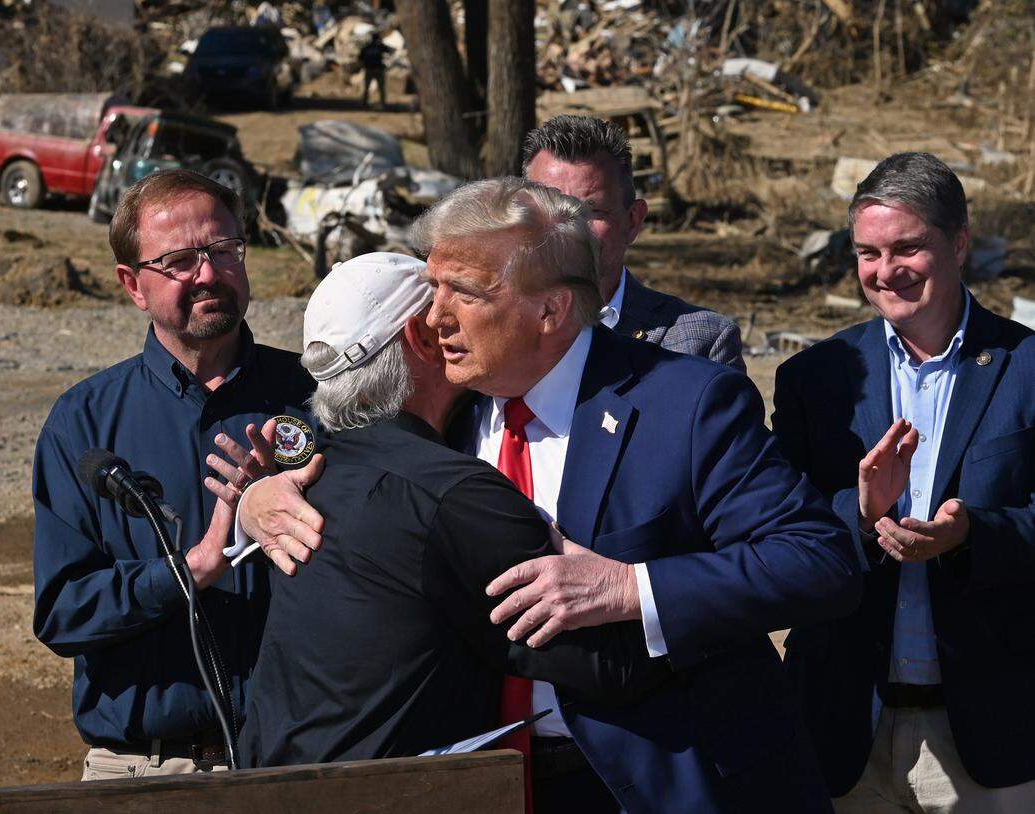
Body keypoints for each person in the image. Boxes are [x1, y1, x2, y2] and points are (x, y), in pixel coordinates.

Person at [233, 178, 860, 812]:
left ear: (551, 312)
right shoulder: (454, 399)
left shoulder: (685, 403)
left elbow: (817, 560)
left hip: (655, 780)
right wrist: (262, 493)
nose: (433, 314)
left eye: (464, 293)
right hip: (489, 783)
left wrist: (631, 588)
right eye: (432, 286)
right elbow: (353, 436)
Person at [233, 251, 671, 772]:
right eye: (454, 310)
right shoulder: (451, 493)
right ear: (422, 336)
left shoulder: (313, 478)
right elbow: (609, 661)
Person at [772, 152, 1035, 812]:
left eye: (907, 248)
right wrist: (857, 515)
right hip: (840, 726)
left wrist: (972, 535)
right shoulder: (818, 378)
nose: (884, 272)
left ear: (960, 242)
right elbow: (775, 530)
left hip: (989, 734)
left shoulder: (1026, 367)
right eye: (867, 253)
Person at [31, 169, 314, 780]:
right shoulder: (84, 423)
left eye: (223, 251)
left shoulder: (315, 401)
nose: (208, 275)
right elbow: (64, 612)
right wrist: (189, 572)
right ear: (133, 285)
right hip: (147, 769)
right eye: (180, 261)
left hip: (298, 761)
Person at [522, 114, 744, 371]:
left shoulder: (700, 347)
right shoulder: (483, 330)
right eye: (551, 210)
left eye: (592, 212)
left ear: (633, 221)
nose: (571, 229)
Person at [358, 31, 392, 109]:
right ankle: (382, 103)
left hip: (370, 69)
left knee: (367, 87)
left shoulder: (367, 47)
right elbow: (389, 51)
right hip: (377, 69)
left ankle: (365, 103)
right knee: (380, 88)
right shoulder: (379, 47)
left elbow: (360, 58)